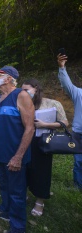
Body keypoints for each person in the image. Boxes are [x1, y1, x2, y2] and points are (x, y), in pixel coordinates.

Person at [0, 66, 35, 233]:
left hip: (15, 155)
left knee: (17, 192)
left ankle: (18, 227)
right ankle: (5, 210)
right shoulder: (0, 98)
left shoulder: (21, 95)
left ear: (8, 78)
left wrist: (18, 157)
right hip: (0, 153)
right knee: (5, 187)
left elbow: (30, 128)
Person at [22, 79, 68, 216]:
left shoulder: (52, 103)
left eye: (26, 90)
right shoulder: (22, 103)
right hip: (26, 140)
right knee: (24, 168)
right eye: (22, 90)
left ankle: (40, 201)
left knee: (42, 171)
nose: (23, 93)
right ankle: (23, 193)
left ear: (36, 88)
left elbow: (65, 123)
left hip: (43, 141)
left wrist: (45, 125)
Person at [57, 54, 82, 189]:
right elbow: (67, 84)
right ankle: (78, 185)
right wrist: (62, 67)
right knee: (78, 161)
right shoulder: (79, 93)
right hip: (79, 133)